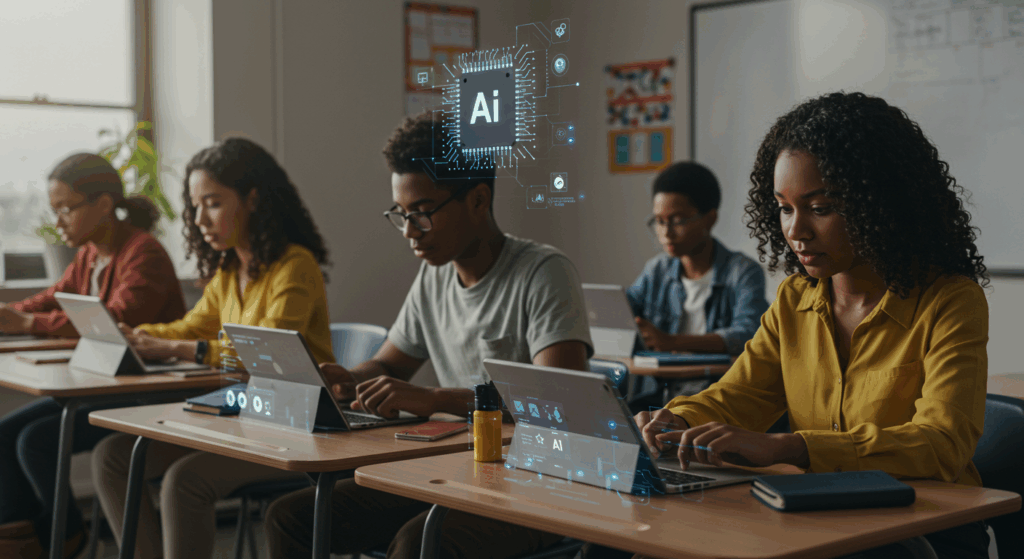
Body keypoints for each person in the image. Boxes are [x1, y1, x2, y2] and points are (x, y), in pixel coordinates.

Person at [584, 92, 991, 559]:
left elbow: (941, 444)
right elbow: (738, 395)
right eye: (784, 207)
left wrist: (792, 448)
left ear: (879, 204)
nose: (796, 231)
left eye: (820, 208)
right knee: (620, 544)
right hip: (814, 518)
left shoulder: (950, 300)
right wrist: (678, 419)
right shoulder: (795, 299)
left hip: (924, 529)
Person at [263, 111, 594, 559]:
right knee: (290, 517)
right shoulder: (434, 276)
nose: (409, 232)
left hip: (541, 480)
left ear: (478, 200)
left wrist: (435, 398)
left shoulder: (544, 273)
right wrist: (351, 379)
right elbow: (390, 364)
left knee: (420, 543)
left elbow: (559, 406)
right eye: (401, 215)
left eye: (422, 213)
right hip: (457, 466)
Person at [90, 137, 335, 559]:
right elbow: (192, 326)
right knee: (111, 457)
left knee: (184, 481)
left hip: (299, 425)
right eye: (195, 206)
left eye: (214, 203)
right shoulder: (229, 269)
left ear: (253, 199)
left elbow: (266, 354)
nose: (200, 219)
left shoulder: (295, 265)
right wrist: (138, 334)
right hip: (244, 411)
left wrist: (174, 348)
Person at [0, 153, 185, 558]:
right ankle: (22, 537)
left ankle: (63, 536)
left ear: (103, 204)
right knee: (5, 433)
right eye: (55, 210)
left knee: (35, 441)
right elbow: (53, 299)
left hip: (145, 393)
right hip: (101, 386)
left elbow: (115, 319)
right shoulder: (89, 255)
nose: (59, 221)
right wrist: (11, 315)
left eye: (66, 209)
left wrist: (27, 323)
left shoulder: (144, 253)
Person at [627, 161, 768, 401]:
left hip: (719, 395)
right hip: (662, 394)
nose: (666, 232)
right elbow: (626, 308)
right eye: (659, 221)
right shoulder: (656, 270)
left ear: (709, 219)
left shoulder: (743, 272)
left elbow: (748, 333)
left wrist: (671, 342)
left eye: (677, 220)